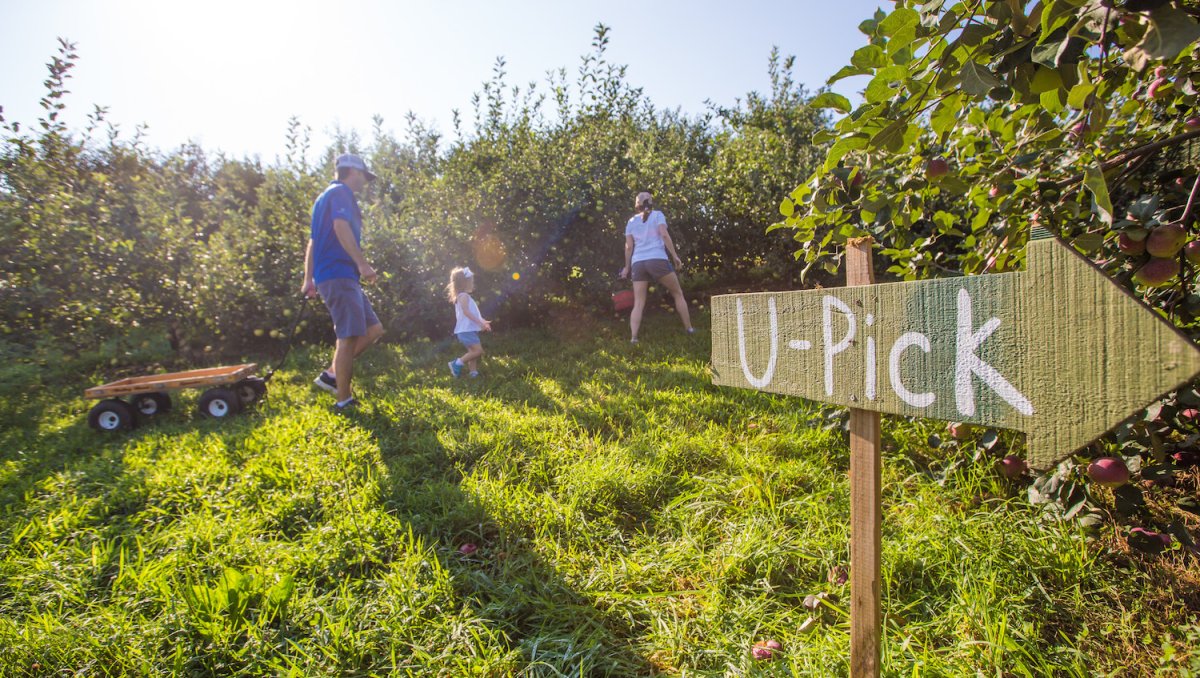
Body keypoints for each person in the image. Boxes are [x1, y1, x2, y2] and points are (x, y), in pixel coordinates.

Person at [300, 153, 384, 412]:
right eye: (363, 176)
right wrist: (362, 263)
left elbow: (313, 242)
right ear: (353, 172)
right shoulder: (341, 193)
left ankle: (331, 374)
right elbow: (340, 227)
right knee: (347, 338)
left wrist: (308, 279)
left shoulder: (322, 198)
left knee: (374, 330)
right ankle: (343, 400)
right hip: (339, 273)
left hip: (336, 275)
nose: (364, 183)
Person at [618, 191, 694, 343]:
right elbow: (664, 235)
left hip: (638, 262)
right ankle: (689, 329)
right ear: (650, 202)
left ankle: (633, 338)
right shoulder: (657, 215)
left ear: (637, 205)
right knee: (677, 293)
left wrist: (627, 267)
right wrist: (674, 256)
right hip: (657, 259)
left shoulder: (631, 221)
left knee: (638, 302)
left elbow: (628, 247)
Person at [446, 266, 491, 378]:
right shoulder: (464, 296)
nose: (472, 283)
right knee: (478, 351)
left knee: (472, 352)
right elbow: (466, 312)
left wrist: (482, 321)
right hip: (466, 330)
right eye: (471, 281)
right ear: (464, 283)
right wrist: (480, 323)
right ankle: (457, 363)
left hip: (466, 330)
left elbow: (472, 313)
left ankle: (473, 373)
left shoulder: (462, 296)